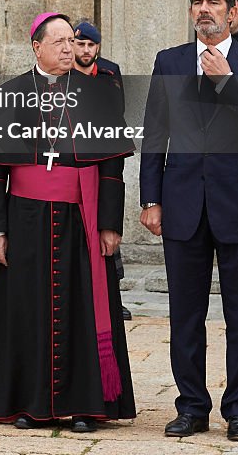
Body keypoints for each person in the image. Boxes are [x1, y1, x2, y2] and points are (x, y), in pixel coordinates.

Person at [140, 0, 238, 444]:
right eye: (198, 2)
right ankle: (191, 407)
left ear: (234, 12)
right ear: (191, 11)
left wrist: (229, 83)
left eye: (215, 2)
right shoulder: (169, 61)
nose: (205, 9)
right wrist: (151, 198)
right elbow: (155, 133)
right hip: (182, 203)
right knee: (185, 316)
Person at [0, 13, 135, 433]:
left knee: (82, 304)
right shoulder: (9, 95)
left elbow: (112, 168)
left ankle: (87, 404)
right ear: (37, 46)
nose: (69, 48)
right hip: (24, 217)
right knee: (26, 308)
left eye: (73, 41)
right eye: (60, 41)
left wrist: (109, 224)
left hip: (81, 214)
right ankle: (30, 404)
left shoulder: (99, 94)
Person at [73, 20, 132, 321]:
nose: (85, 50)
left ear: (98, 46)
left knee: (107, 225)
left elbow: (116, 111)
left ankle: (113, 295)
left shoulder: (110, 71)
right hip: (75, 160)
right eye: (80, 44)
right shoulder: (63, 73)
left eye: (90, 45)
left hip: (105, 155)